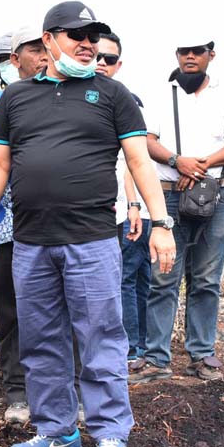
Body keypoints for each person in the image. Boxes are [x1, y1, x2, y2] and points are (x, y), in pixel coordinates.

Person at [0, 1, 176, 447]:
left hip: (91, 240)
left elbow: (140, 160)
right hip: (30, 242)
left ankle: (109, 435)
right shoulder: (16, 98)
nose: (87, 44)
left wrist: (161, 224)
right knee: (41, 338)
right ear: (48, 41)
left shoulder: (112, 94)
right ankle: (57, 431)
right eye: (75, 35)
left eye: (93, 36)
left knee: (100, 335)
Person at [130, 36, 224, 384]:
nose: (191, 57)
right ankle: (156, 358)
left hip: (215, 193)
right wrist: (176, 161)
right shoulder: (160, 93)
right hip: (168, 194)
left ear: (211, 54)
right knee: (163, 278)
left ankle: (202, 355)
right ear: (177, 55)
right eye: (184, 51)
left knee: (207, 279)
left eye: (198, 51)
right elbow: (146, 140)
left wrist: (200, 166)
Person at [0, 27, 48, 424]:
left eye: (46, 49)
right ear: (14, 60)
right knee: (11, 313)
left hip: (57, 228)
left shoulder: (66, 100)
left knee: (59, 312)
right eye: (33, 50)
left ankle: (60, 388)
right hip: (10, 228)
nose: (43, 56)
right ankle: (17, 391)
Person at [95, 33, 150, 367]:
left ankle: (132, 347)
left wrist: (133, 205)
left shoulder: (126, 100)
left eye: (109, 59)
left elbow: (132, 161)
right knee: (131, 279)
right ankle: (136, 344)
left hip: (128, 208)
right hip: (119, 207)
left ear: (119, 64)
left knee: (130, 279)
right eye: (96, 56)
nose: (101, 63)